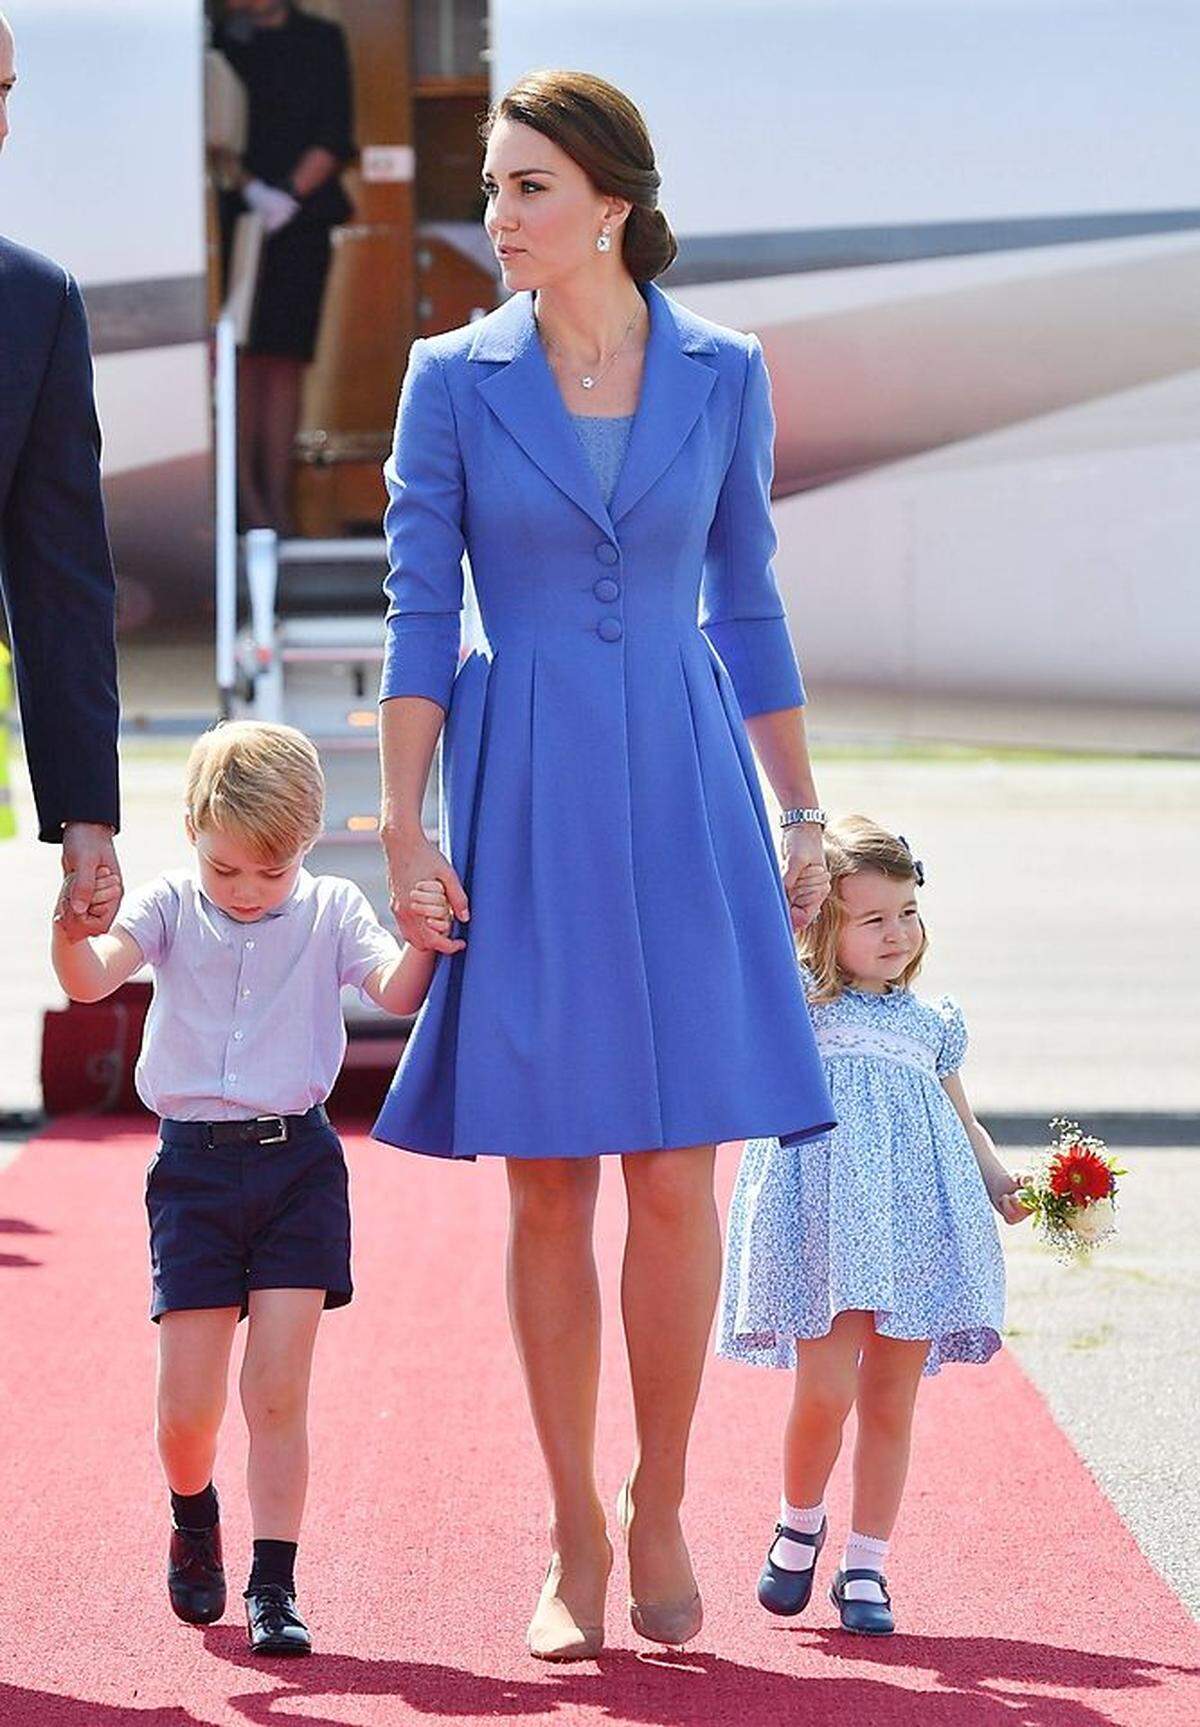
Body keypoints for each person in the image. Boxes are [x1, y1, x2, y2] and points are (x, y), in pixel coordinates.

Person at [373, 69, 835, 1660]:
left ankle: (662, 1494)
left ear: (611, 206)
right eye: (494, 187)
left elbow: (752, 600)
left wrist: (801, 809)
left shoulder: (725, 370)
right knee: (553, 1174)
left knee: (677, 1168)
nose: (496, 217)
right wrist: (407, 820)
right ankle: (572, 1512)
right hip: (533, 794)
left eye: (526, 190)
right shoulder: (449, 376)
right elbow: (419, 611)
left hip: (693, 785)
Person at [50, 720, 453, 1657]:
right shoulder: (166, 906)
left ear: (306, 847)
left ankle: (275, 1584)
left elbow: (395, 990)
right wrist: (72, 929)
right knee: (186, 1412)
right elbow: (88, 979)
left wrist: (425, 936)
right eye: (226, 870)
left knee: (277, 1389)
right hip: (191, 1172)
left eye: (270, 874)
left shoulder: (329, 908)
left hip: (298, 1168)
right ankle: (195, 1512)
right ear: (193, 830)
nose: (245, 892)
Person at [717, 816, 1029, 1636]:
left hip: (917, 1227)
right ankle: (798, 1522)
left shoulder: (934, 1024)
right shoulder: (801, 1008)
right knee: (824, 1390)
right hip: (828, 1230)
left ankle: (867, 1564)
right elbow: (743, 959)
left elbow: (966, 1122)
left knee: (891, 1400)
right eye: (873, 918)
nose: (899, 933)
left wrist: (998, 1178)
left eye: (908, 912)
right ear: (827, 926)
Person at [0, 9, 121, 933]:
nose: (5, 126)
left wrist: (87, 810)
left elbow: (62, 578)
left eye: (6, 94)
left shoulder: (36, 305)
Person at [213, 0, 355, 533]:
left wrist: (288, 196)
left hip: (299, 220)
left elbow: (336, 133)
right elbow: (211, 129)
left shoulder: (320, 38)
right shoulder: (220, 39)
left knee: (285, 360)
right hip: (232, 217)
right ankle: (247, 506)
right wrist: (251, 190)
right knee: (240, 359)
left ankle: (279, 504)